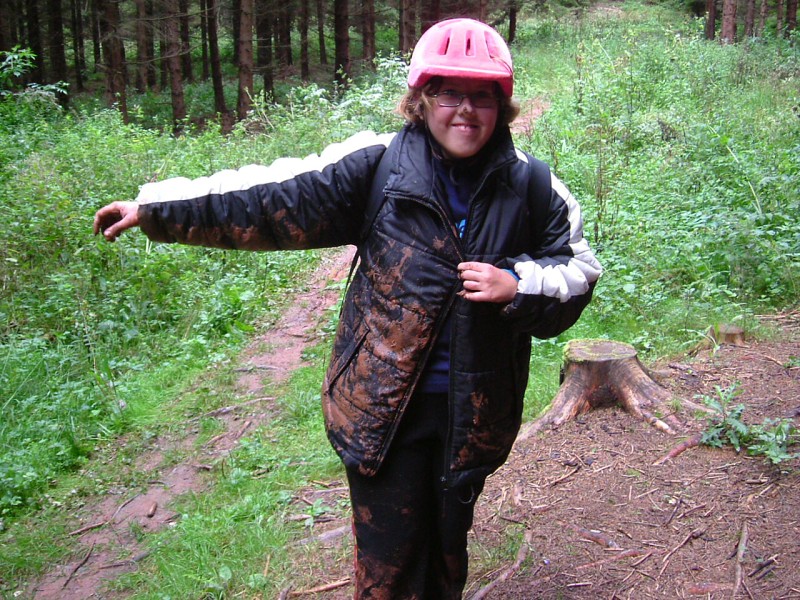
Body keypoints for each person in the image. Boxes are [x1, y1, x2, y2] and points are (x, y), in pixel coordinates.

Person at [94, 17, 602, 600]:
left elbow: (579, 270)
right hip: (381, 411)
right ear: (421, 99)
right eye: (449, 93)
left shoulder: (534, 186)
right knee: (388, 566)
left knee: (446, 552)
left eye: (482, 96)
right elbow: (270, 195)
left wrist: (517, 284)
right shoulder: (377, 166)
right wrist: (156, 209)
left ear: (502, 105)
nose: (466, 110)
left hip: (473, 415)